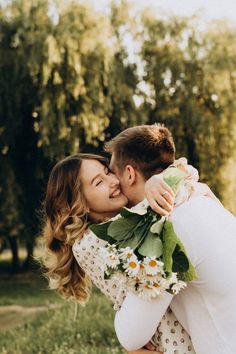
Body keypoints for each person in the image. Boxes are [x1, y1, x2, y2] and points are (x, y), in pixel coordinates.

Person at [102, 124, 236, 354]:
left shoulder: (166, 228)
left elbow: (131, 335)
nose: (112, 184)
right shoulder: (203, 201)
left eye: (113, 173)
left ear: (130, 174)